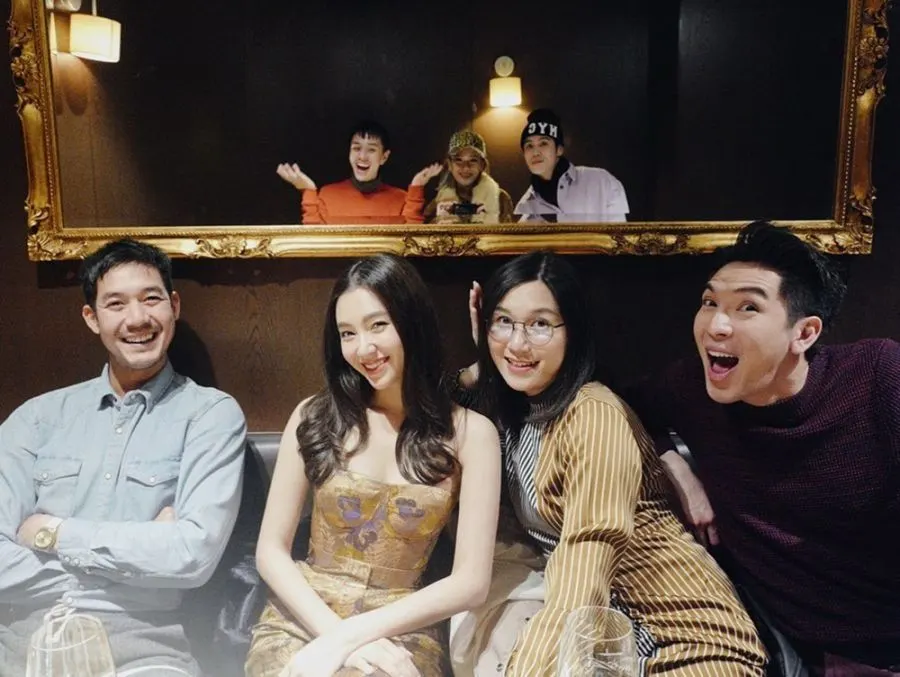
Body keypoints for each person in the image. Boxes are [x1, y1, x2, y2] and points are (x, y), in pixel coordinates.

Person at [450, 251, 766, 677]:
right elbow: (432, 411)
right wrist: (485, 358)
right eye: (504, 321)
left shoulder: (593, 415)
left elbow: (585, 569)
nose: (519, 343)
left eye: (540, 324)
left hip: (688, 642)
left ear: (574, 332)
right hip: (615, 636)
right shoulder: (516, 407)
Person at [625, 221, 900, 677]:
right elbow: (625, 403)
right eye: (710, 302)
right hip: (783, 646)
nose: (716, 325)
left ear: (804, 333)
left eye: (747, 307)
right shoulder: (691, 389)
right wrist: (678, 470)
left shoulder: (878, 377)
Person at [245, 254, 501, 677]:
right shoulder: (314, 415)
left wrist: (353, 637)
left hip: (402, 627)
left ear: (411, 321)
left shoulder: (472, 434)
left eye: (378, 325)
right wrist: (334, 636)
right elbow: (270, 551)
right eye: (348, 333)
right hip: (304, 618)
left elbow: (471, 583)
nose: (363, 348)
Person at [0, 238, 247, 676]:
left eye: (151, 299)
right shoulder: (36, 419)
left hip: (145, 646)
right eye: (116, 304)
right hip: (23, 641)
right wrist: (138, 558)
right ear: (92, 318)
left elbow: (192, 556)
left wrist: (52, 533)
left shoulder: (209, 415)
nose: (137, 319)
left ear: (173, 306)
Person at [276, 120, 441, 225]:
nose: (362, 156)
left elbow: (411, 242)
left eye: (371, 150)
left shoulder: (401, 198)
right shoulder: (327, 195)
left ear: (384, 157)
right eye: (356, 148)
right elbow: (314, 241)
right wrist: (308, 190)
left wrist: (417, 188)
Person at [514, 108, 629, 223]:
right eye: (529, 146)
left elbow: (620, 233)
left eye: (543, 143)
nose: (535, 153)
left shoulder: (601, 182)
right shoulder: (525, 208)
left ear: (559, 149)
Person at [424, 130, 514, 224]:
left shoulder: (500, 199)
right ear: (450, 164)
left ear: (482, 165)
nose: (466, 167)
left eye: (473, 160)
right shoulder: (437, 203)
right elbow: (423, 231)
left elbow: (508, 232)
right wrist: (437, 225)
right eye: (458, 160)